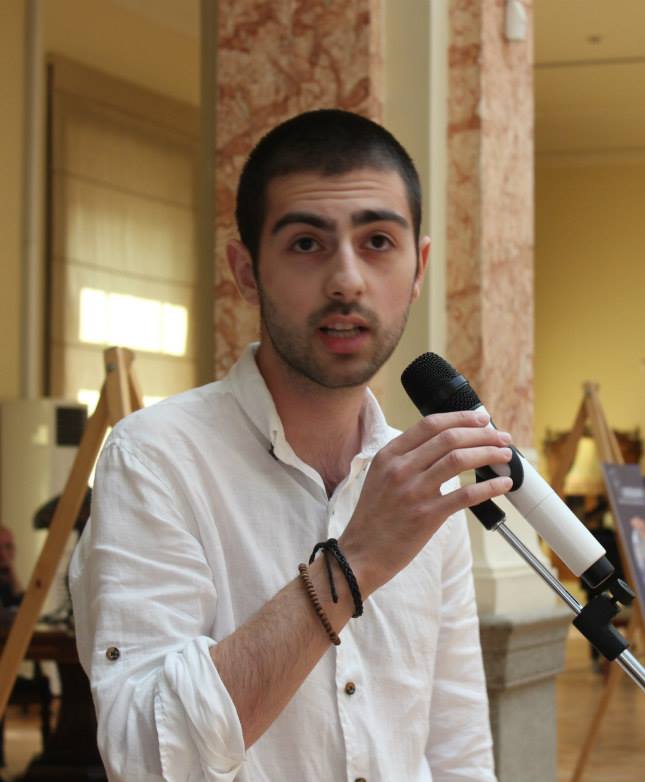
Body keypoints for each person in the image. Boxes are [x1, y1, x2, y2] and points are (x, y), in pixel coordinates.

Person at [68, 109, 515, 781]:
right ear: (247, 271)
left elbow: (457, 751)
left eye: (378, 241)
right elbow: (147, 759)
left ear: (418, 267)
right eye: (307, 243)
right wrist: (354, 562)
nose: (347, 280)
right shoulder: (155, 459)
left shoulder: (425, 483)